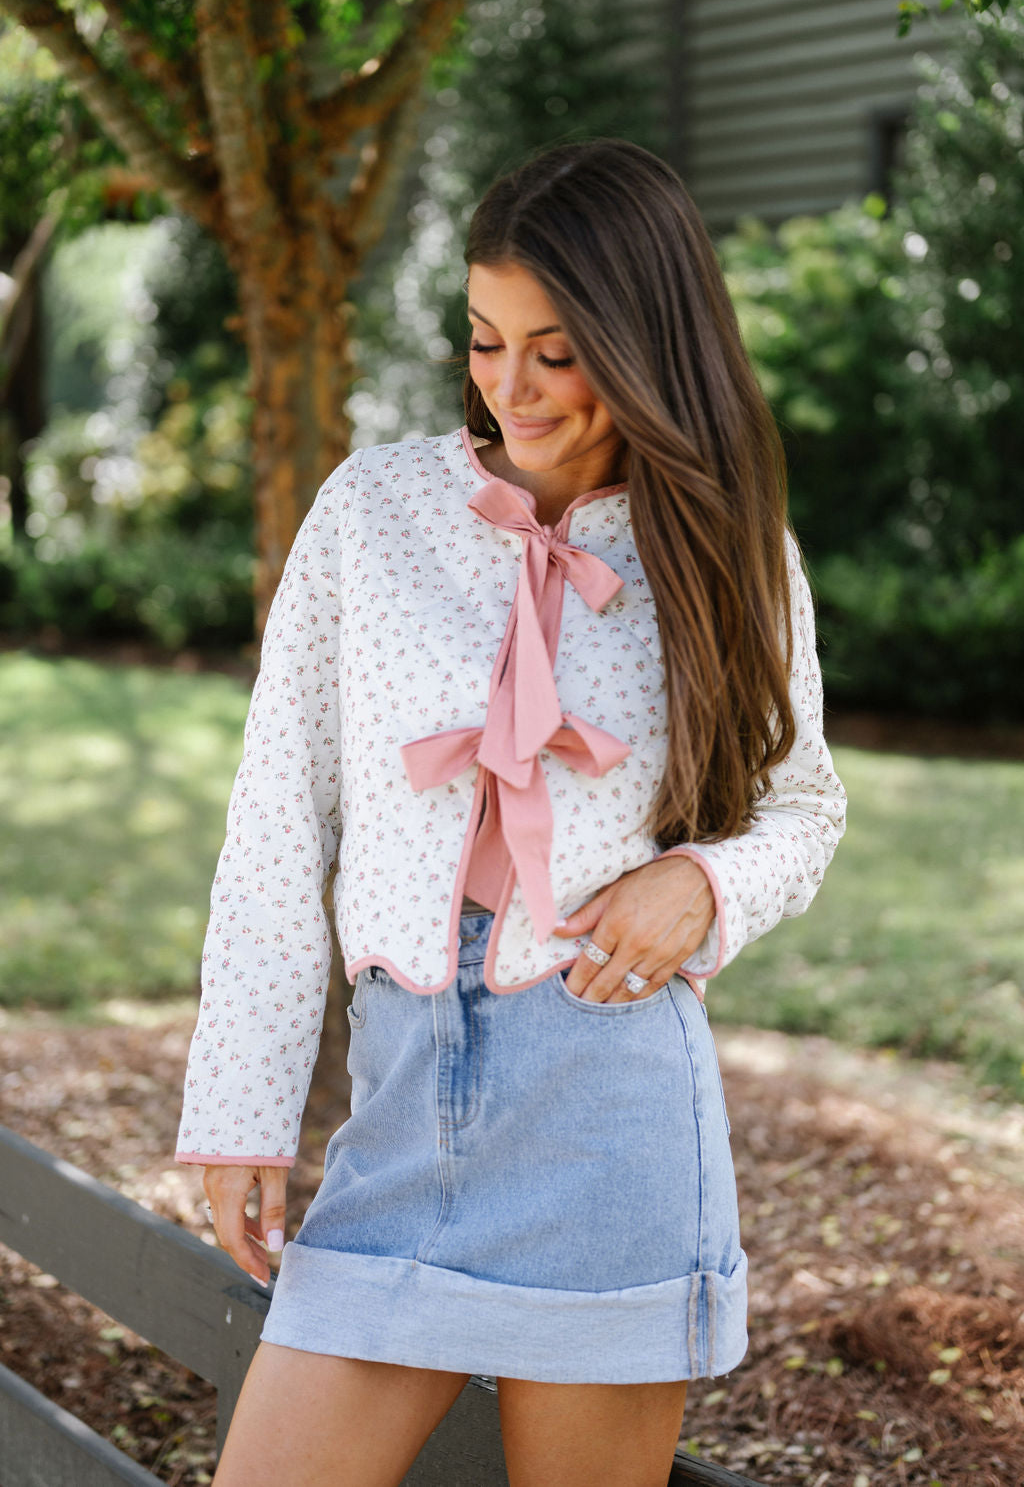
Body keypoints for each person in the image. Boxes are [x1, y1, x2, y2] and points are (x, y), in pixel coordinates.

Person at [176, 137, 847, 1487]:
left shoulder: (727, 548)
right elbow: (273, 819)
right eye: (486, 342)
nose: (512, 387)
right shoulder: (372, 512)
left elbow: (802, 811)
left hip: (610, 1105)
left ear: (646, 343)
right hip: (402, 1104)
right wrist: (240, 1108)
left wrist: (702, 888)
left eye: (557, 350)